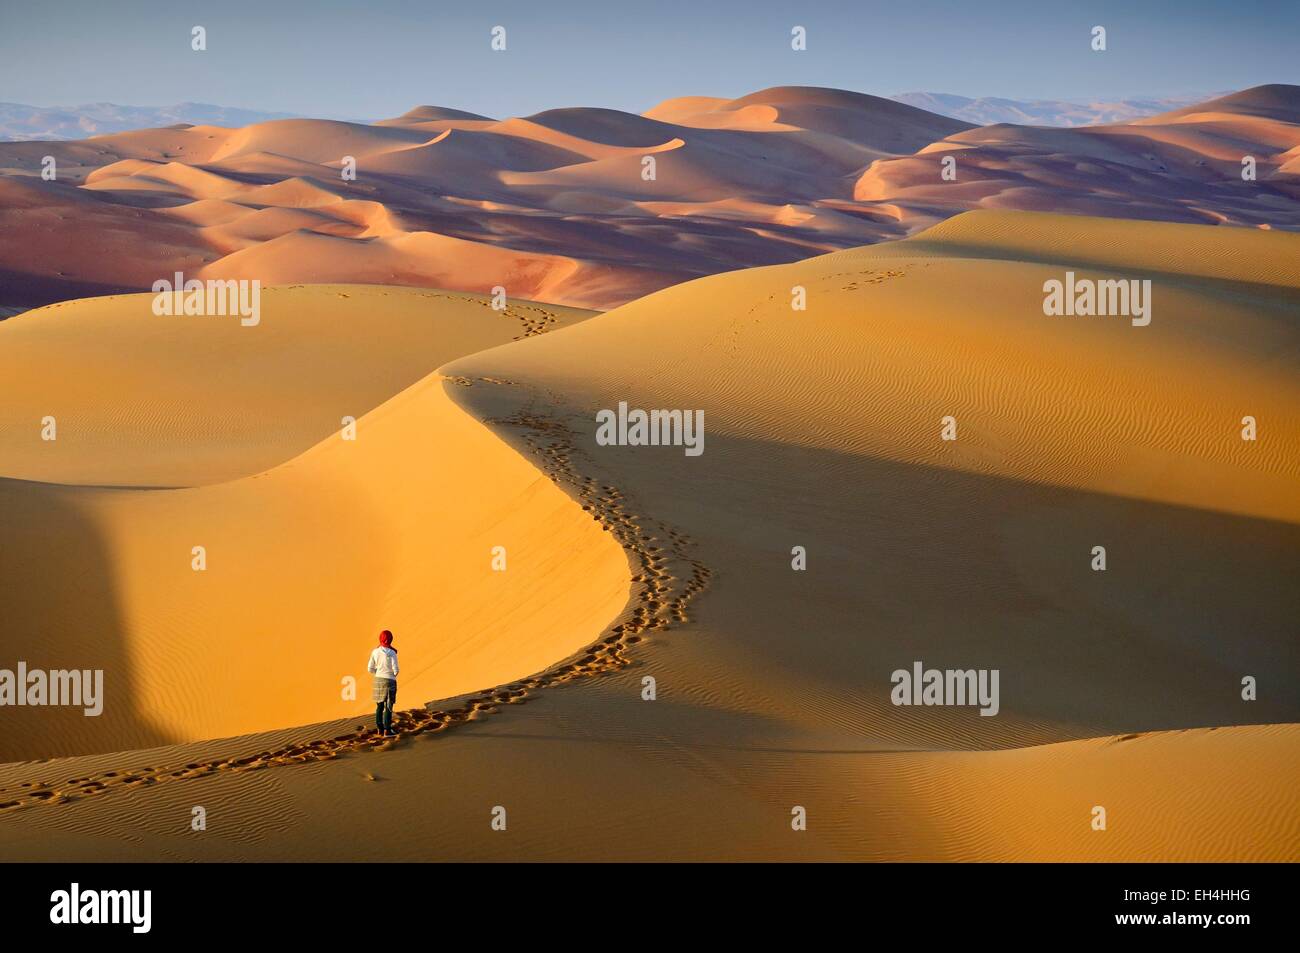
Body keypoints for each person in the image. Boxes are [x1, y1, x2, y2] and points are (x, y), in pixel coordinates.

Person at [367, 629, 399, 736]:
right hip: (389, 681)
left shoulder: (375, 652)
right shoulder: (392, 653)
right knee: (388, 707)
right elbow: (396, 670)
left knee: (379, 706)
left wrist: (378, 673)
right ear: (390, 639)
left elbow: (370, 669)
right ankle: (387, 730)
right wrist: (390, 675)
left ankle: (379, 729)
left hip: (378, 681)